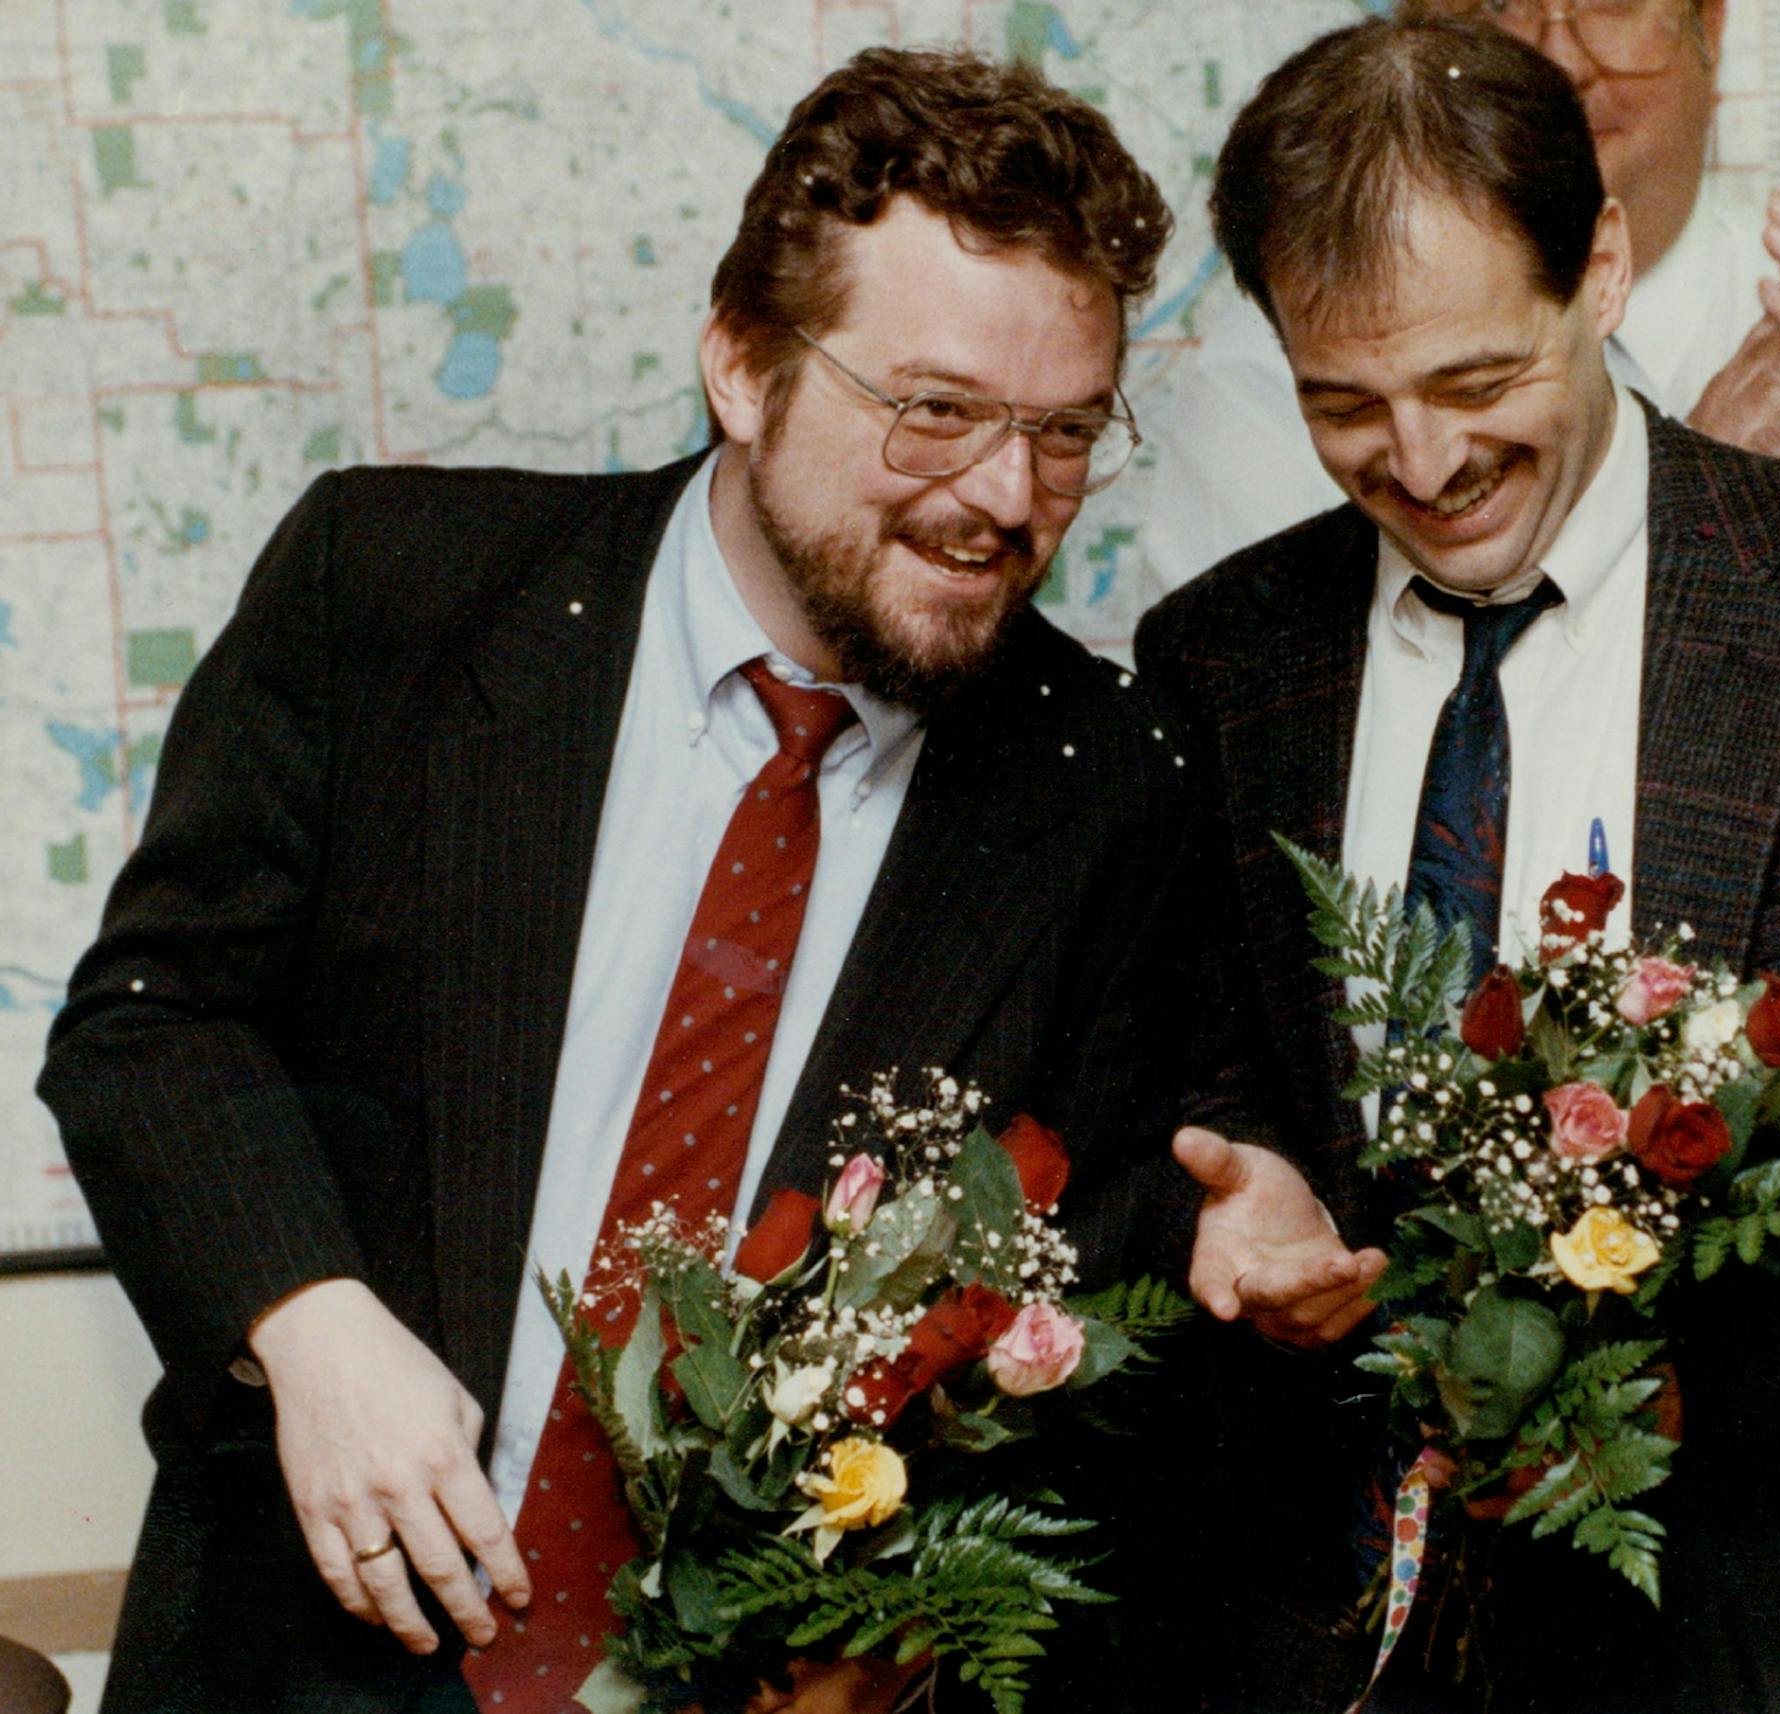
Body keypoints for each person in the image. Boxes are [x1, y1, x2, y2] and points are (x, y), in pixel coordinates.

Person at [39, 47, 1198, 1714]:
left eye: (1066, 429)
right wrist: (304, 1316)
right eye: (936, 410)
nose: (1007, 498)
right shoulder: (390, 590)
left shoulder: (1106, 777)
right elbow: (152, 1021)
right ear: (743, 362)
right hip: (307, 1658)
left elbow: (1098, 1276)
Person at [1138, 16, 1780, 1712]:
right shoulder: (1225, 655)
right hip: (1360, 1580)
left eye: (1478, 382)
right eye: (1346, 403)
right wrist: (1244, 1184)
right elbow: (1203, 1061)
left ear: (1598, 264)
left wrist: (1698, 1372)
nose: (1426, 461)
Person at [1144, 0, 1780, 786]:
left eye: (1613, 6)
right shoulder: (1267, 369)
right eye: (1507, 5)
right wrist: (1691, 488)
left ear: (1709, 29)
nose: (1558, 56)